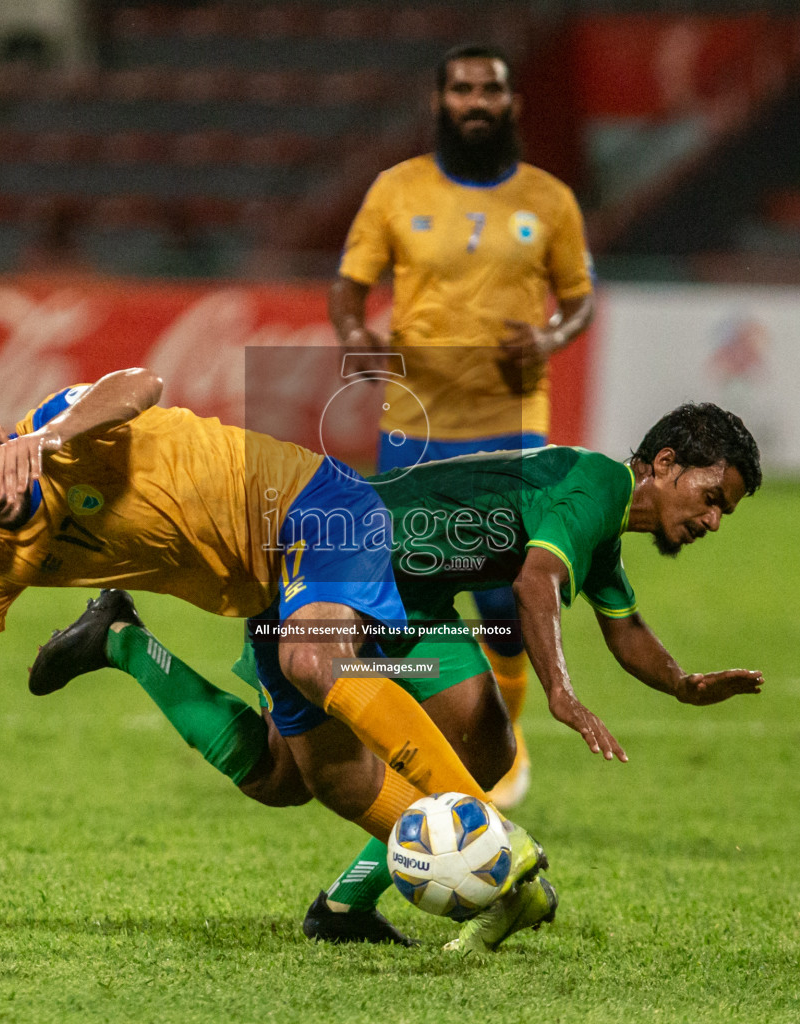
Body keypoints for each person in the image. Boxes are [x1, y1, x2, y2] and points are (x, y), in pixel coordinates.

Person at [0, 370, 546, 931]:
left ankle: (493, 847)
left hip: (317, 508)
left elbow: (139, 385)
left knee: (325, 668)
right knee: (309, 781)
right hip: (270, 591)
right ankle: (124, 642)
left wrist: (58, 431)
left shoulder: (65, 435)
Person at [31, 402, 766, 949]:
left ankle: (346, 907)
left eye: (725, 512)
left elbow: (624, 625)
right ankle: (124, 642)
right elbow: (536, 582)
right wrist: (562, 694)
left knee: (485, 742)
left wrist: (681, 683)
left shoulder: (602, 527)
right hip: (336, 564)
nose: (713, 522)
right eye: (711, 499)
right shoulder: (598, 484)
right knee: (286, 778)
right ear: (664, 463)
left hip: (414, 608)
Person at [329, 43, 597, 808]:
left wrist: (548, 336)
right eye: (462, 89)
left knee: (504, 599)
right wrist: (357, 334)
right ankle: (445, 742)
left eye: (490, 90)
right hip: (414, 424)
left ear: (510, 103)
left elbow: (578, 298)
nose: (476, 102)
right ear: (440, 100)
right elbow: (348, 291)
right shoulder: (395, 189)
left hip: (510, 425)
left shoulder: (549, 200)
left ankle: (497, 749)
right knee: (411, 595)